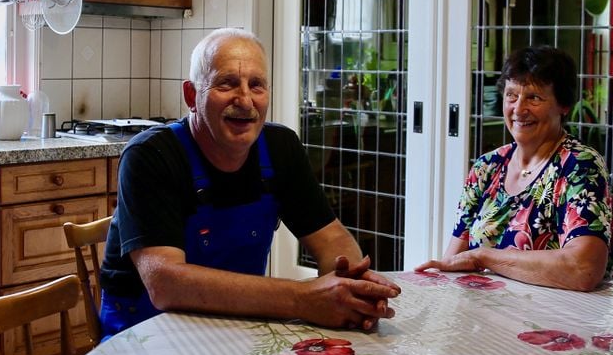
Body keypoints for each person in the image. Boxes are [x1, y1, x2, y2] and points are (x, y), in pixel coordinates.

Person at [98, 28, 400, 338]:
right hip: (143, 337)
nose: (245, 100)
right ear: (191, 95)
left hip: (236, 325)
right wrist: (303, 299)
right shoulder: (151, 155)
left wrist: (350, 287)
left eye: (256, 85)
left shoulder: (280, 147)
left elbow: (331, 237)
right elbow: (165, 284)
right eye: (226, 83)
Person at [416, 46, 613, 291]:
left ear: (563, 106)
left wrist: (484, 256)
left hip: (555, 320)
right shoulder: (486, 167)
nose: (519, 109)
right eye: (511, 95)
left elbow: (583, 269)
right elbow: (453, 262)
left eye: (534, 97)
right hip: (482, 314)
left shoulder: (579, 166)